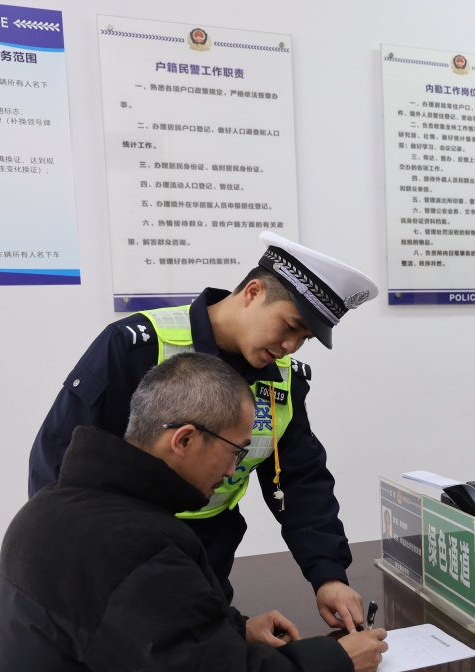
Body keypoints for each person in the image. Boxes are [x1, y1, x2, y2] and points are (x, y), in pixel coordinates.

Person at [0, 353, 389, 672]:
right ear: (185, 439)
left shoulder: (64, 506)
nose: (234, 470)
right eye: (236, 451)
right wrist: (340, 661)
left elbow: (141, 630)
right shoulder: (129, 544)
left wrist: (235, 629)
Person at [29, 231, 377, 632]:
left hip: (208, 553)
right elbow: (59, 462)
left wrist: (328, 575)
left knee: (205, 657)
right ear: (253, 292)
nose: (291, 347)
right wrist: (66, 566)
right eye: (290, 326)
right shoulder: (135, 346)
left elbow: (299, 480)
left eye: (304, 339)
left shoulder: (284, 379)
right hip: (119, 554)